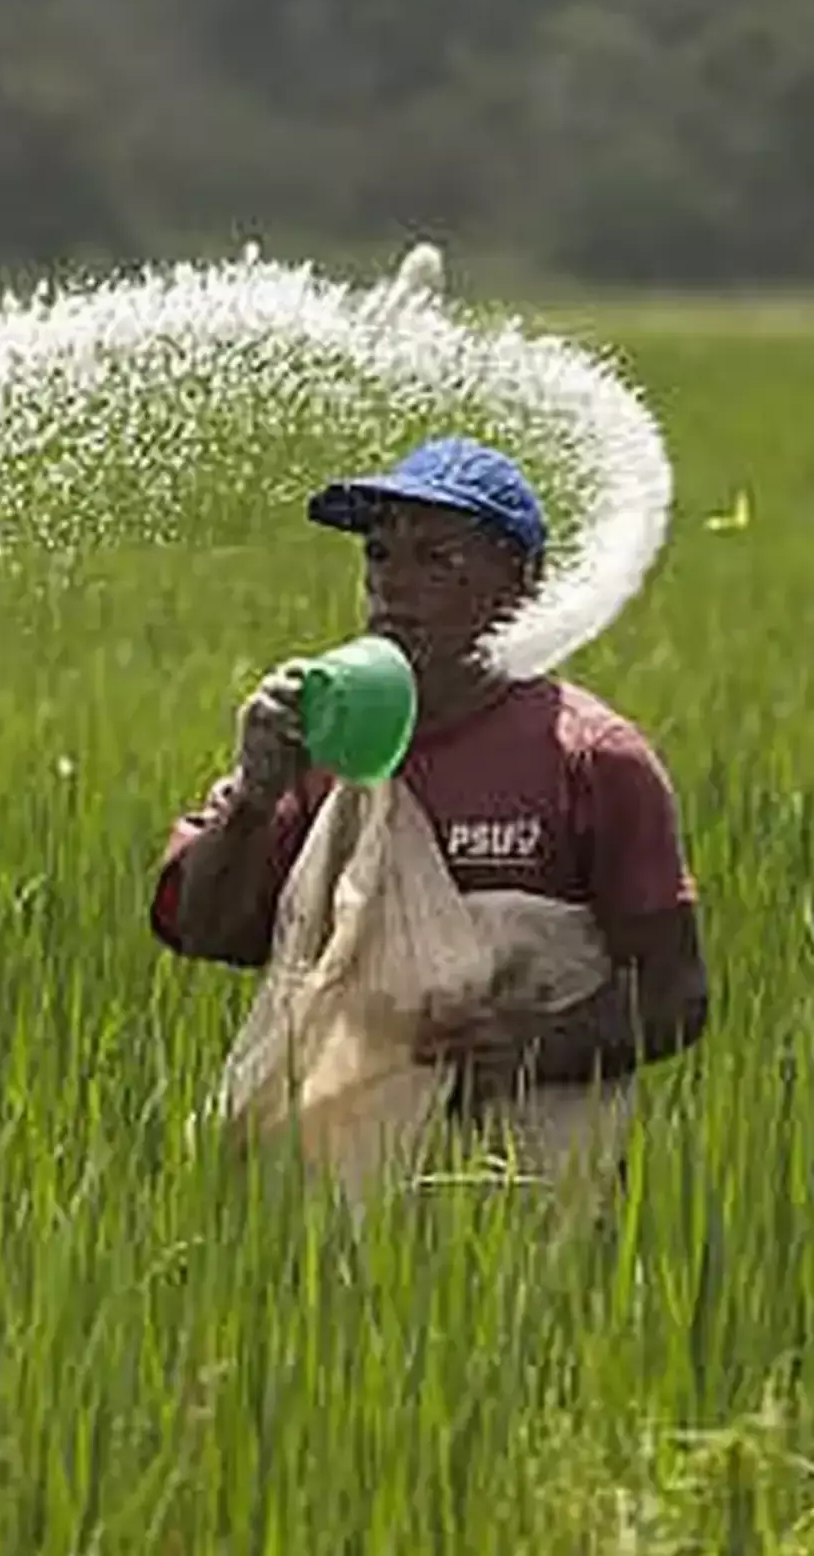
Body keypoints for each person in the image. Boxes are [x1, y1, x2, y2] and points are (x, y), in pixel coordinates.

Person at [149, 435, 709, 1136]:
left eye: (437, 560)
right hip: (337, 1192)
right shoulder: (324, 740)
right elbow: (207, 931)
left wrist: (534, 1046)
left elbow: (674, 994)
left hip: (534, 1185)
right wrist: (256, 798)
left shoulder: (592, 760)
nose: (393, 585)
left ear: (522, 586)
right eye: (379, 554)